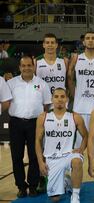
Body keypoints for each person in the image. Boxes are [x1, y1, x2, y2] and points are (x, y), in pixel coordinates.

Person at [7, 55, 52, 197]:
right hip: (16, 123)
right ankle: (21, 186)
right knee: (16, 156)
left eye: (29, 65)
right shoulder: (11, 83)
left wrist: (42, 123)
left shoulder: (42, 84)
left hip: (35, 124)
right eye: (24, 65)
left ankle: (33, 185)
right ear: (20, 67)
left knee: (34, 156)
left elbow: (46, 105)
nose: (26, 68)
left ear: (33, 67)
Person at [35, 88, 88, 203]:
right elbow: (38, 141)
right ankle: (66, 182)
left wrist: (81, 149)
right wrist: (40, 162)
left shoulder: (75, 117)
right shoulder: (43, 117)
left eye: (62, 97)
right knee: (55, 199)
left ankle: (75, 195)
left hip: (69, 155)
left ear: (67, 99)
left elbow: (86, 136)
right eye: (57, 97)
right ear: (52, 99)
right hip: (52, 158)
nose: (59, 99)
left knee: (77, 161)